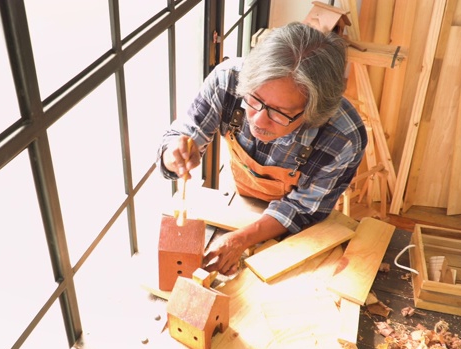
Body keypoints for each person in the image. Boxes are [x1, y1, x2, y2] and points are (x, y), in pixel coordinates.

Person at [156, 22, 367, 276]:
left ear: (314, 112)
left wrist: (242, 239)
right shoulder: (228, 80)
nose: (257, 120)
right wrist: (174, 154)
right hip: (240, 204)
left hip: (293, 230)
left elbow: (303, 209)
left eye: (280, 114)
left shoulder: (342, 137)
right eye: (254, 100)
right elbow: (184, 134)